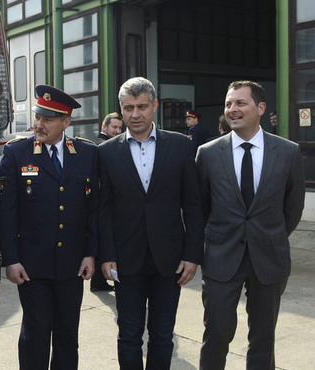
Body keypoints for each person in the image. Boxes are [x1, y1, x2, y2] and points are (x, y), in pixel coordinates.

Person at [196, 81, 305, 370]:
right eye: (229, 104)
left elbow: (293, 207)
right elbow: (201, 208)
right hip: (221, 259)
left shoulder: (288, 152)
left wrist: (271, 236)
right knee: (216, 334)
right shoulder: (207, 154)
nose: (232, 109)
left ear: (260, 108)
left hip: (268, 259)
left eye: (240, 103)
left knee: (263, 340)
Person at [98, 77, 204, 370]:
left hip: (170, 261)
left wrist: (192, 255)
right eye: (129, 107)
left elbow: (193, 206)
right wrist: (106, 255)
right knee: (129, 336)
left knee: (162, 336)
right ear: (120, 109)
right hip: (125, 260)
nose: (136, 114)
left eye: (142, 106)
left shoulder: (181, 146)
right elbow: (103, 209)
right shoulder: (106, 153)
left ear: (154, 106)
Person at [0, 84, 98, 369]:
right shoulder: (17, 153)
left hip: (72, 264)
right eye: (38, 116)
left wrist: (91, 253)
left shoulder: (87, 154)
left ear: (66, 122)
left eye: (48, 119)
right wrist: (11, 259)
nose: (38, 124)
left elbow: (93, 209)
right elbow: (6, 212)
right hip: (31, 266)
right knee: (36, 335)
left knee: (68, 336)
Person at [91, 112, 122, 292]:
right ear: (104, 127)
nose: (117, 131)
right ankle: (98, 282)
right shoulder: (102, 146)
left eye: (120, 128)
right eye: (114, 127)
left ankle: (99, 282)